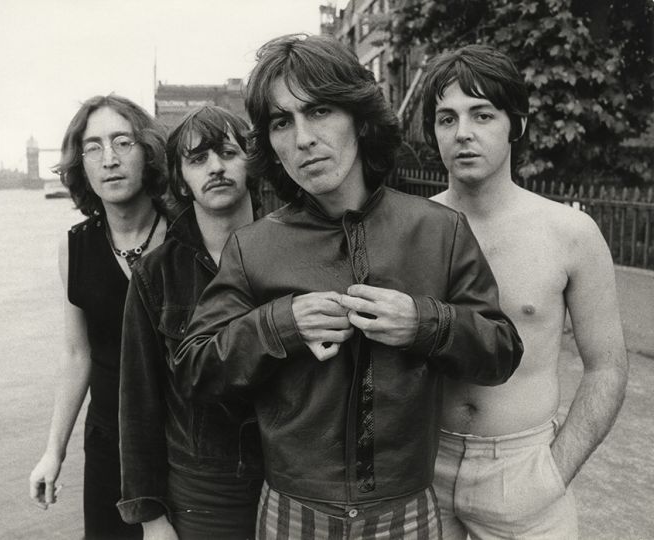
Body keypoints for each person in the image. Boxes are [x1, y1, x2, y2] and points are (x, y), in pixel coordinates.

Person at [173, 34, 524, 539]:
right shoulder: (254, 247)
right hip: (293, 509)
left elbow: (501, 352)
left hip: (405, 509)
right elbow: (194, 371)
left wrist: (424, 324)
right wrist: (279, 325)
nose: (302, 139)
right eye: (281, 122)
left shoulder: (438, 230)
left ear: (360, 118)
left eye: (319, 112)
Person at [424, 45, 629, 539]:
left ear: (517, 124)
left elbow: (608, 367)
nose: (463, 133)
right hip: (424, 469)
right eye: (446, 118)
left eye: (482, 115)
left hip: (523, 470)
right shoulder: (413, 228)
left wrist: (554, 472)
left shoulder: (569, 232)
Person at [117, 106, 264, 540]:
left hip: (292, 485)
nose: (215, 167)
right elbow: (138, 402)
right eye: (197, 159)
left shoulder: (292, 250)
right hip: (202, 495)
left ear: (251, 163)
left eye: (227, 152)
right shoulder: (156, 274)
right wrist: (152, 518)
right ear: (181, 179)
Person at [29, 94, 169, 539]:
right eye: (93, 147)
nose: (109, 159)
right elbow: (76, 354)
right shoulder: (74, 248)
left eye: (122, 142)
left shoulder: (187, 236)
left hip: (184, 444)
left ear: (147, 152)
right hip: (110, 446)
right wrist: (54, 451)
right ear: (81, 166)